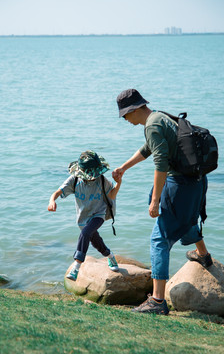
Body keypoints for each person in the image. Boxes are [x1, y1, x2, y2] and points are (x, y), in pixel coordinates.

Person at [113, 88, 213, 315]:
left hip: (180, 185)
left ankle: (157, 301)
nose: (126, 119)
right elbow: (149, 149)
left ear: (136, 109)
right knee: (185, 220)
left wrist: (156, 201)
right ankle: (204, 256)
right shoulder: (160, 117)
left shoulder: (152, 124)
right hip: (196, 181)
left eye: (126, 114)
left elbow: (161, 164)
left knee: (159, 239)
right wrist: (124, 168)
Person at [48, 150, 121, 281]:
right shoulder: (74, 180)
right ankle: (110, 256)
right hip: (83, 218)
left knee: (85, 234)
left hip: (99, 214)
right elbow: (57, 192)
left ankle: (76, 266)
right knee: (96, 242)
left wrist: (119, 183)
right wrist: (52, 200)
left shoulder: (103, 181)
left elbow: (111, 195)